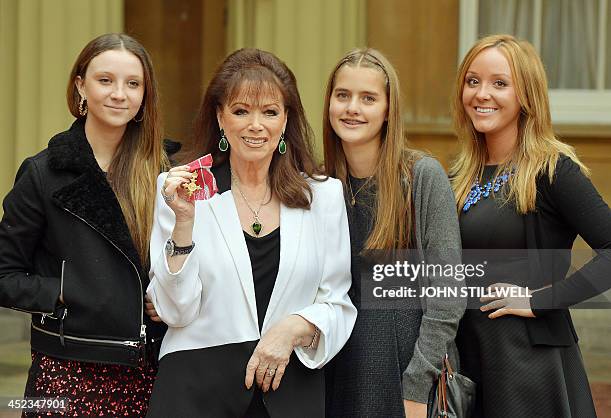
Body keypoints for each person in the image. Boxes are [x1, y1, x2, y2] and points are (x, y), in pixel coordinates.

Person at [145, 48, 356, 418]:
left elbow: (337, 305)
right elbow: (174, 312)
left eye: (270, 112)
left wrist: (293, 328)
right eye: (241, 111)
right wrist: (183, 222)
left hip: (290, 392)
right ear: (220, 117)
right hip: (194, 393)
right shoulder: (183, 191)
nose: (255, 125)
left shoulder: (323, 195)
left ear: (286, 119)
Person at [0, 33, 168, 417]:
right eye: (105, 80)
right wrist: (67, 291)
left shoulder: (163, 173)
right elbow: (4, 274)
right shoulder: (43, 173)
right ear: (80, 85)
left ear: (145, 95)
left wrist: (172, 294)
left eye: (133, 84)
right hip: (61, 371)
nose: (119, 94)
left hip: (145, 370)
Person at [451, 34, 611, 418]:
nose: (482, 94)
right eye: (473, 81)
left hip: (528, 366)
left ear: (526, 95)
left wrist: (540, 300)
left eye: (499, 83)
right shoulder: (459, 175)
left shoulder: (553, 170)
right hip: (468, 362)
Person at [322, 48, 465, 418]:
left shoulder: (422, 176)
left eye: (368, 98)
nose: (353, 108)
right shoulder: (319, 184)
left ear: (388, 110)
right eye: (343, 96)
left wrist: (417, 386)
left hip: (404, 376)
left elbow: (448, 294)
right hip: (335, 373)